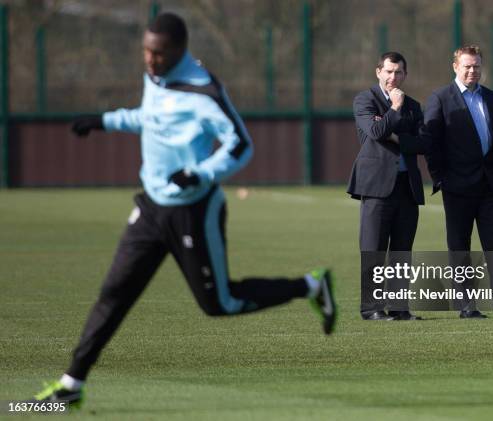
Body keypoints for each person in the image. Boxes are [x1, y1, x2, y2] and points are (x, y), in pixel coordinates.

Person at [33, 13, 337, 407]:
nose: (150, 59)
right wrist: (104, 121)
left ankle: (311, 286)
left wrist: (201, 174)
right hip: (151, 208)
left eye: (158, 53)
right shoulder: (155, 78)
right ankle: (71, 385)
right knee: (114, 293)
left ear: (178, 49)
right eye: (146, 50)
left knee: (218, 304)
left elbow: (241, 144)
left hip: (194, 211)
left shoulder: (205, 92)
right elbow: (153, 118)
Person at [422, 45, 493, 319]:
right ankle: (466, 305)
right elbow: (431, 143)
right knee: (460, 246)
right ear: (455, 67)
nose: (472, 70)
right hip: (457, 187)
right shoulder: (440, 98)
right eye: (467, 66)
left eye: (476, 66)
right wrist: (441, 179)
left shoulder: (491, 97)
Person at [347, 51, 429, 321]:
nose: (394, 77)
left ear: (405, 74)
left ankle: (399, 308)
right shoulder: (364, 100)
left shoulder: (414, 106)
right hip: (375, 187)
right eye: (389, 71)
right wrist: (393, 110)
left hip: (407, 187)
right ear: (378, 72)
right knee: (374, 249)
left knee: (402, 253)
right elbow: (375, 133)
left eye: (399, 72)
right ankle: (371, 309)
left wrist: (395, 135)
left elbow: (422, 143)